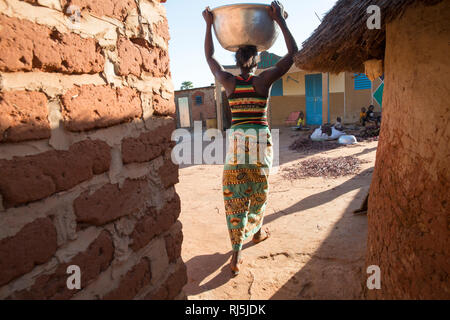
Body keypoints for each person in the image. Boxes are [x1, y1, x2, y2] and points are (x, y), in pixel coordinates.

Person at [203, 1, 298, 276]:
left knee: (236, 195)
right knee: (258, 191)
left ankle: (237, 253)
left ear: (236, 60)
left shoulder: (229, 83)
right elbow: (293, 54)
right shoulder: (263, 81)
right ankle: (256, 233)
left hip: (238, 144)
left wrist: (209, 26)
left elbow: (210, 57)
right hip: (259, 143)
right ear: (258, 60)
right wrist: (279, 20)